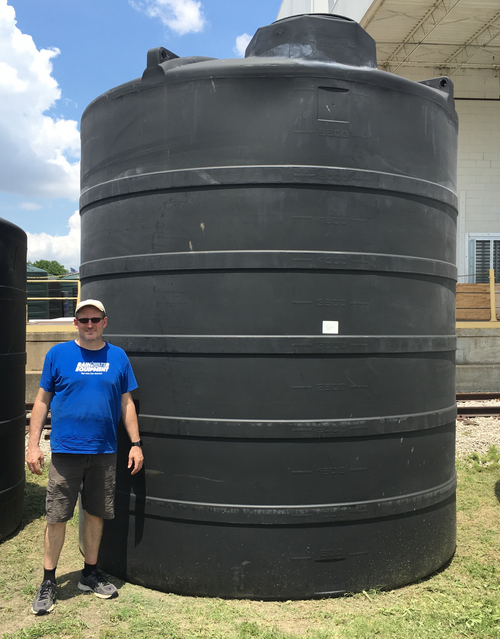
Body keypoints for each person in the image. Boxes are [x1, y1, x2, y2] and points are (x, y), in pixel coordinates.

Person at [26, 299, 144, 616]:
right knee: (57, 516)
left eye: (94, 319)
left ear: (105, 321)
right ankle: (49, 581)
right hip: (66, 451)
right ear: (75, 324)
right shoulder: (58, 355)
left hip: (104, 452)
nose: (89, 325)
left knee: (95, 514)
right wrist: (32, 444)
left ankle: (89, 573)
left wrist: (136, 442)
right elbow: (41, 401)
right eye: (83, 320)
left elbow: (126, 403)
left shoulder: (117, 357)